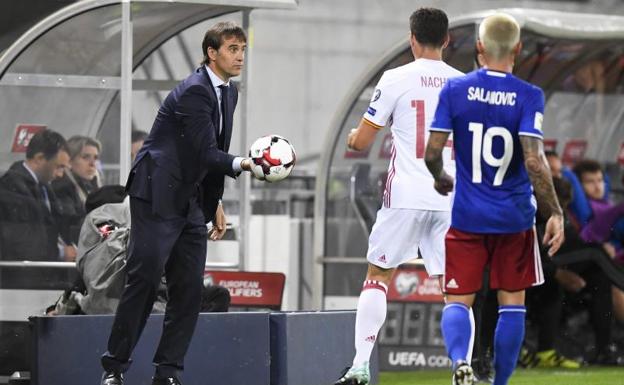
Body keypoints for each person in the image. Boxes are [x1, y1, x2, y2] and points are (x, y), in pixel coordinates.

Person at [100, 21, 264, 385]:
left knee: (189, 288)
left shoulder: (229, 92)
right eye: (232, 49)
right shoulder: (194, 92)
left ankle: (168, 373)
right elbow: (206, 151)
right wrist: (247, 163)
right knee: (144, 279)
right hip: (157, 193)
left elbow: (207, 153)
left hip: (189, 197)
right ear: (212, 52)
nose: (239, 56)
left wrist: (214, 200)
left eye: (242, 50)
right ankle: (114, 368)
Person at [424, 13, 564, 385]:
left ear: (480, 48)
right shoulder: (529, 95)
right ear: (518, 49)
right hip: (514, 219)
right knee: (512, 305)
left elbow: (432, 153)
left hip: (468, 216)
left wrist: (441, 179)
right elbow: (533, 160)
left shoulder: (454, 91)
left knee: (458, 300)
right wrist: (555, 212)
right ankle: (499, 382)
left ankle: (459, 363)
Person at [332, 8, 464, 385]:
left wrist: (351, 137)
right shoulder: (463, 83)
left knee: (378, 275)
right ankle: (461, 368)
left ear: (411, 37)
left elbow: (361, 141)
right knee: (455, 286)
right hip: (450, 196)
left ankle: (359, 366)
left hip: (405, 194)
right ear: (447, 39)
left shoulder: (395, 78)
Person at [0, 129, 71, 261]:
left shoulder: (44, 187)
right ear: (40, 158)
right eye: (59, 167)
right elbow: (21, 240)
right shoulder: (11, 187)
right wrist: (60, 253)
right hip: (23, 275)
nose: (61, 175)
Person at [52, 135, 103, 252]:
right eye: (86, 157)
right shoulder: (62, 187)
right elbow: (76, 223)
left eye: (96, 158)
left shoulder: (90, 186)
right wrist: (110, 232)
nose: (92, 164)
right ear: (69, 161)